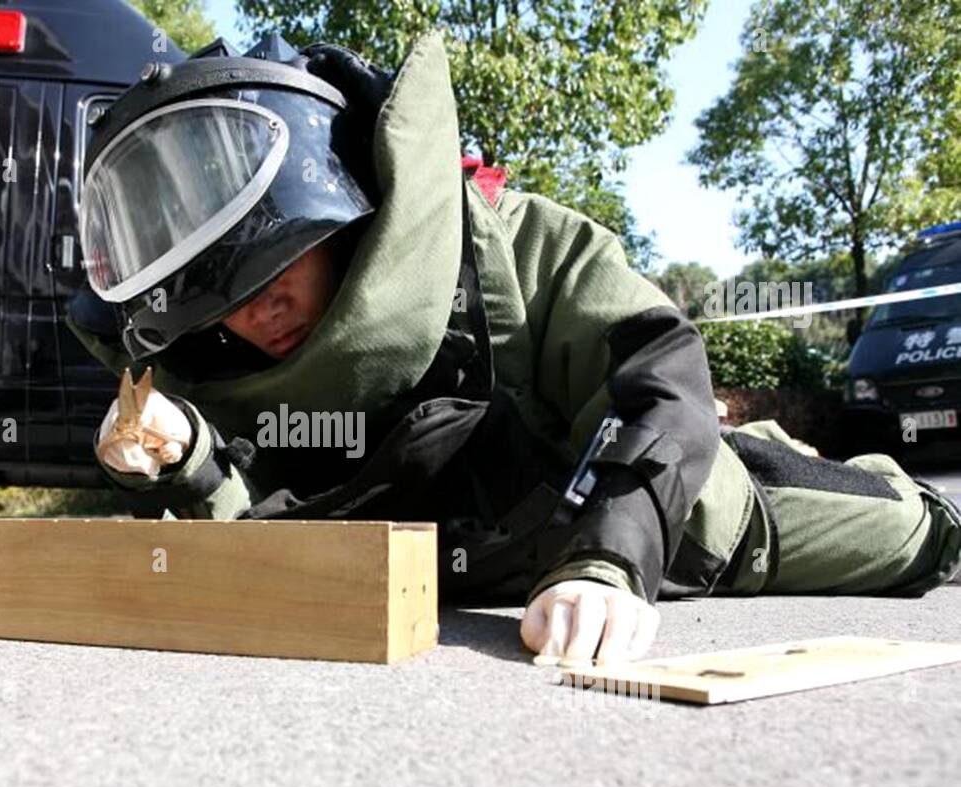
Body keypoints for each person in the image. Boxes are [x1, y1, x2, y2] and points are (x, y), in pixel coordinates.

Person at [67, 31, 961, 664]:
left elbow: (656, 374)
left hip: (697, 531)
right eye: (230, 307)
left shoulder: (520, 246)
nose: (260, 318)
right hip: (485, 574)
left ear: (336, 197)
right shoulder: (228, 378)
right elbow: (272, 545)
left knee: (921, 534)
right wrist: (187, 465)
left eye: (275, 275)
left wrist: (608, 564)